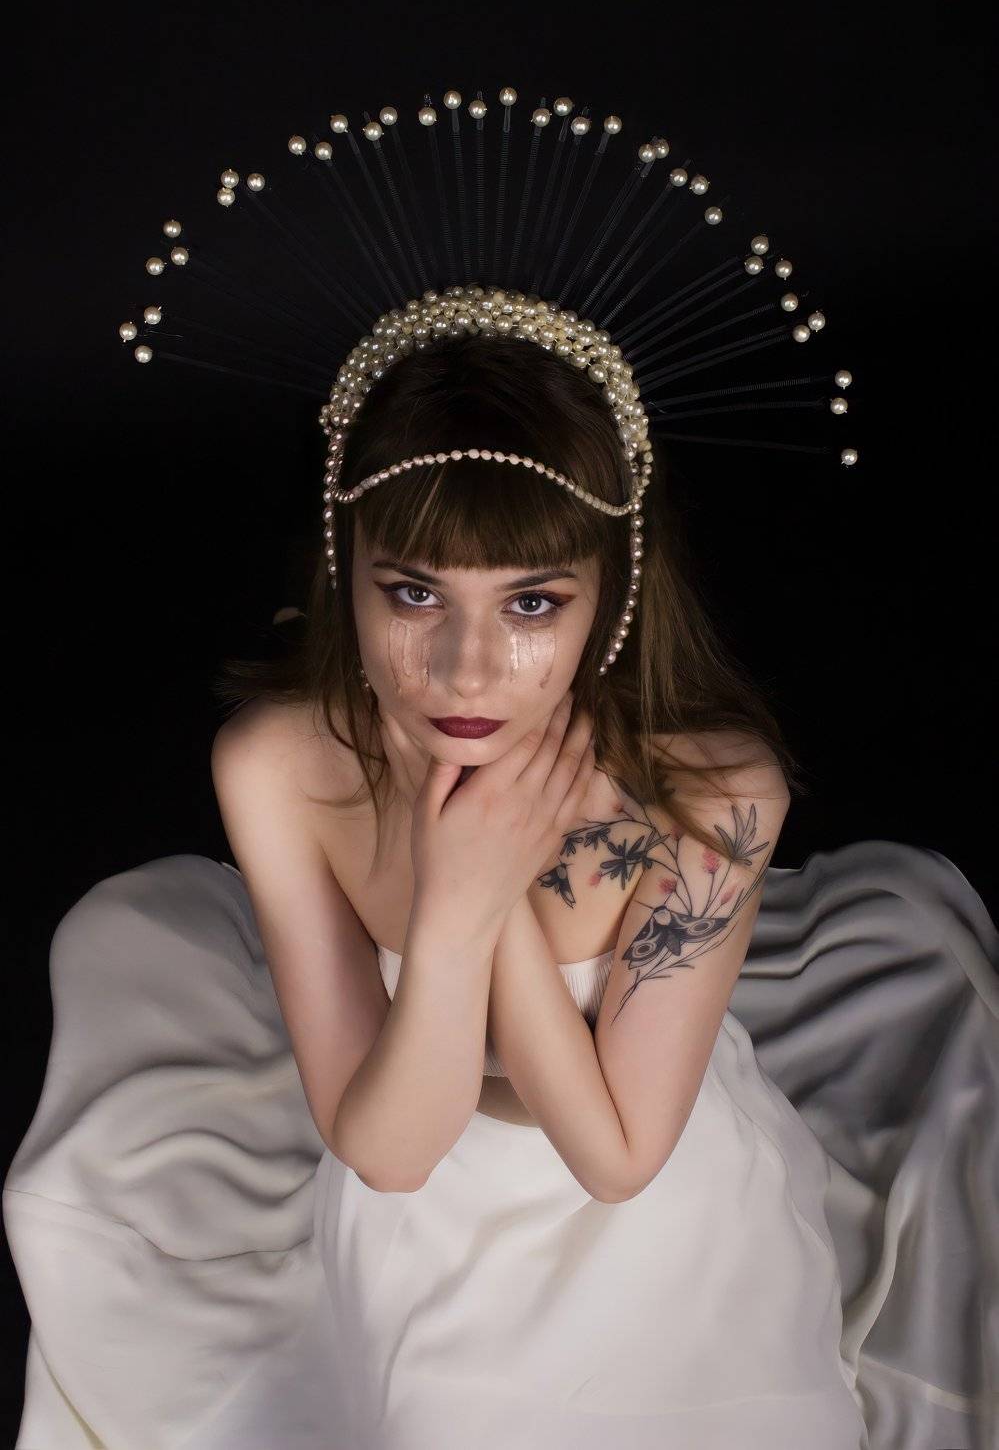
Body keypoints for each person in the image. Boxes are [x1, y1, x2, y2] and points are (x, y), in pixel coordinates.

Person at [5, 93, 997, 1449]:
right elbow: (392, 1151)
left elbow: (618, 1157)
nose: (467, 668)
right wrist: (457, 899)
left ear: (611, 599)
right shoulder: (280, 763)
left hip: (664, 1230)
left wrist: (488, 896)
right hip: (416, 1222)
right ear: (346, 573)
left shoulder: (717, 795)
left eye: (533, 604)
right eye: (414, 593)